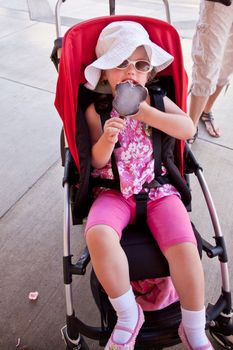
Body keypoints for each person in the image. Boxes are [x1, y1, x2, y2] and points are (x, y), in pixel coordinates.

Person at [84, 21, 214, 350]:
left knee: (186, 246)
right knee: (97, 233)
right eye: (121, 63)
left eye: (140, 65)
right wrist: (107, 141)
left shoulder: (156, 101)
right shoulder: (97, 110)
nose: (131, 72)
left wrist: (146, 115)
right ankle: (128, 315)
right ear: (104, 74)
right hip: (113, 191)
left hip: (157, 189)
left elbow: (186, 129)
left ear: (149, 74)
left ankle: (194, 326)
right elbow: (95, 163)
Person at [188, 0, 233, 143]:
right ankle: (190, 127)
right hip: (221, 3)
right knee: (207, 64)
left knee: (228, 64)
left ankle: (205, 111)